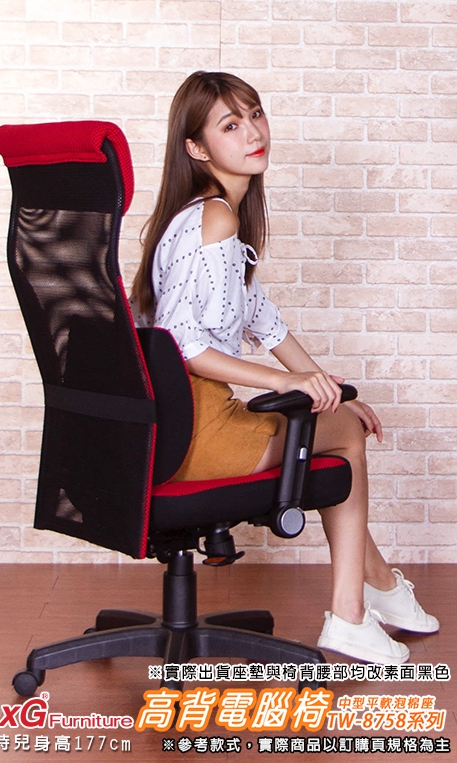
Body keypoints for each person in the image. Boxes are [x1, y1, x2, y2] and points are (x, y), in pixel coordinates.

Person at [131, 70, 439, 664]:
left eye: (255, 114)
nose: (253, 132)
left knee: (339, 421)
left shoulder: (204, 218)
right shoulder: (214, 220)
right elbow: (184, 345)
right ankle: (352, 612)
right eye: (230, 125)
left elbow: (265, 322)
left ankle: (377, 587)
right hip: (195, 431)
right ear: (196, 148)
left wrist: (330, 389)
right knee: (345, 436)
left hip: (172, 428)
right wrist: (288, 382)